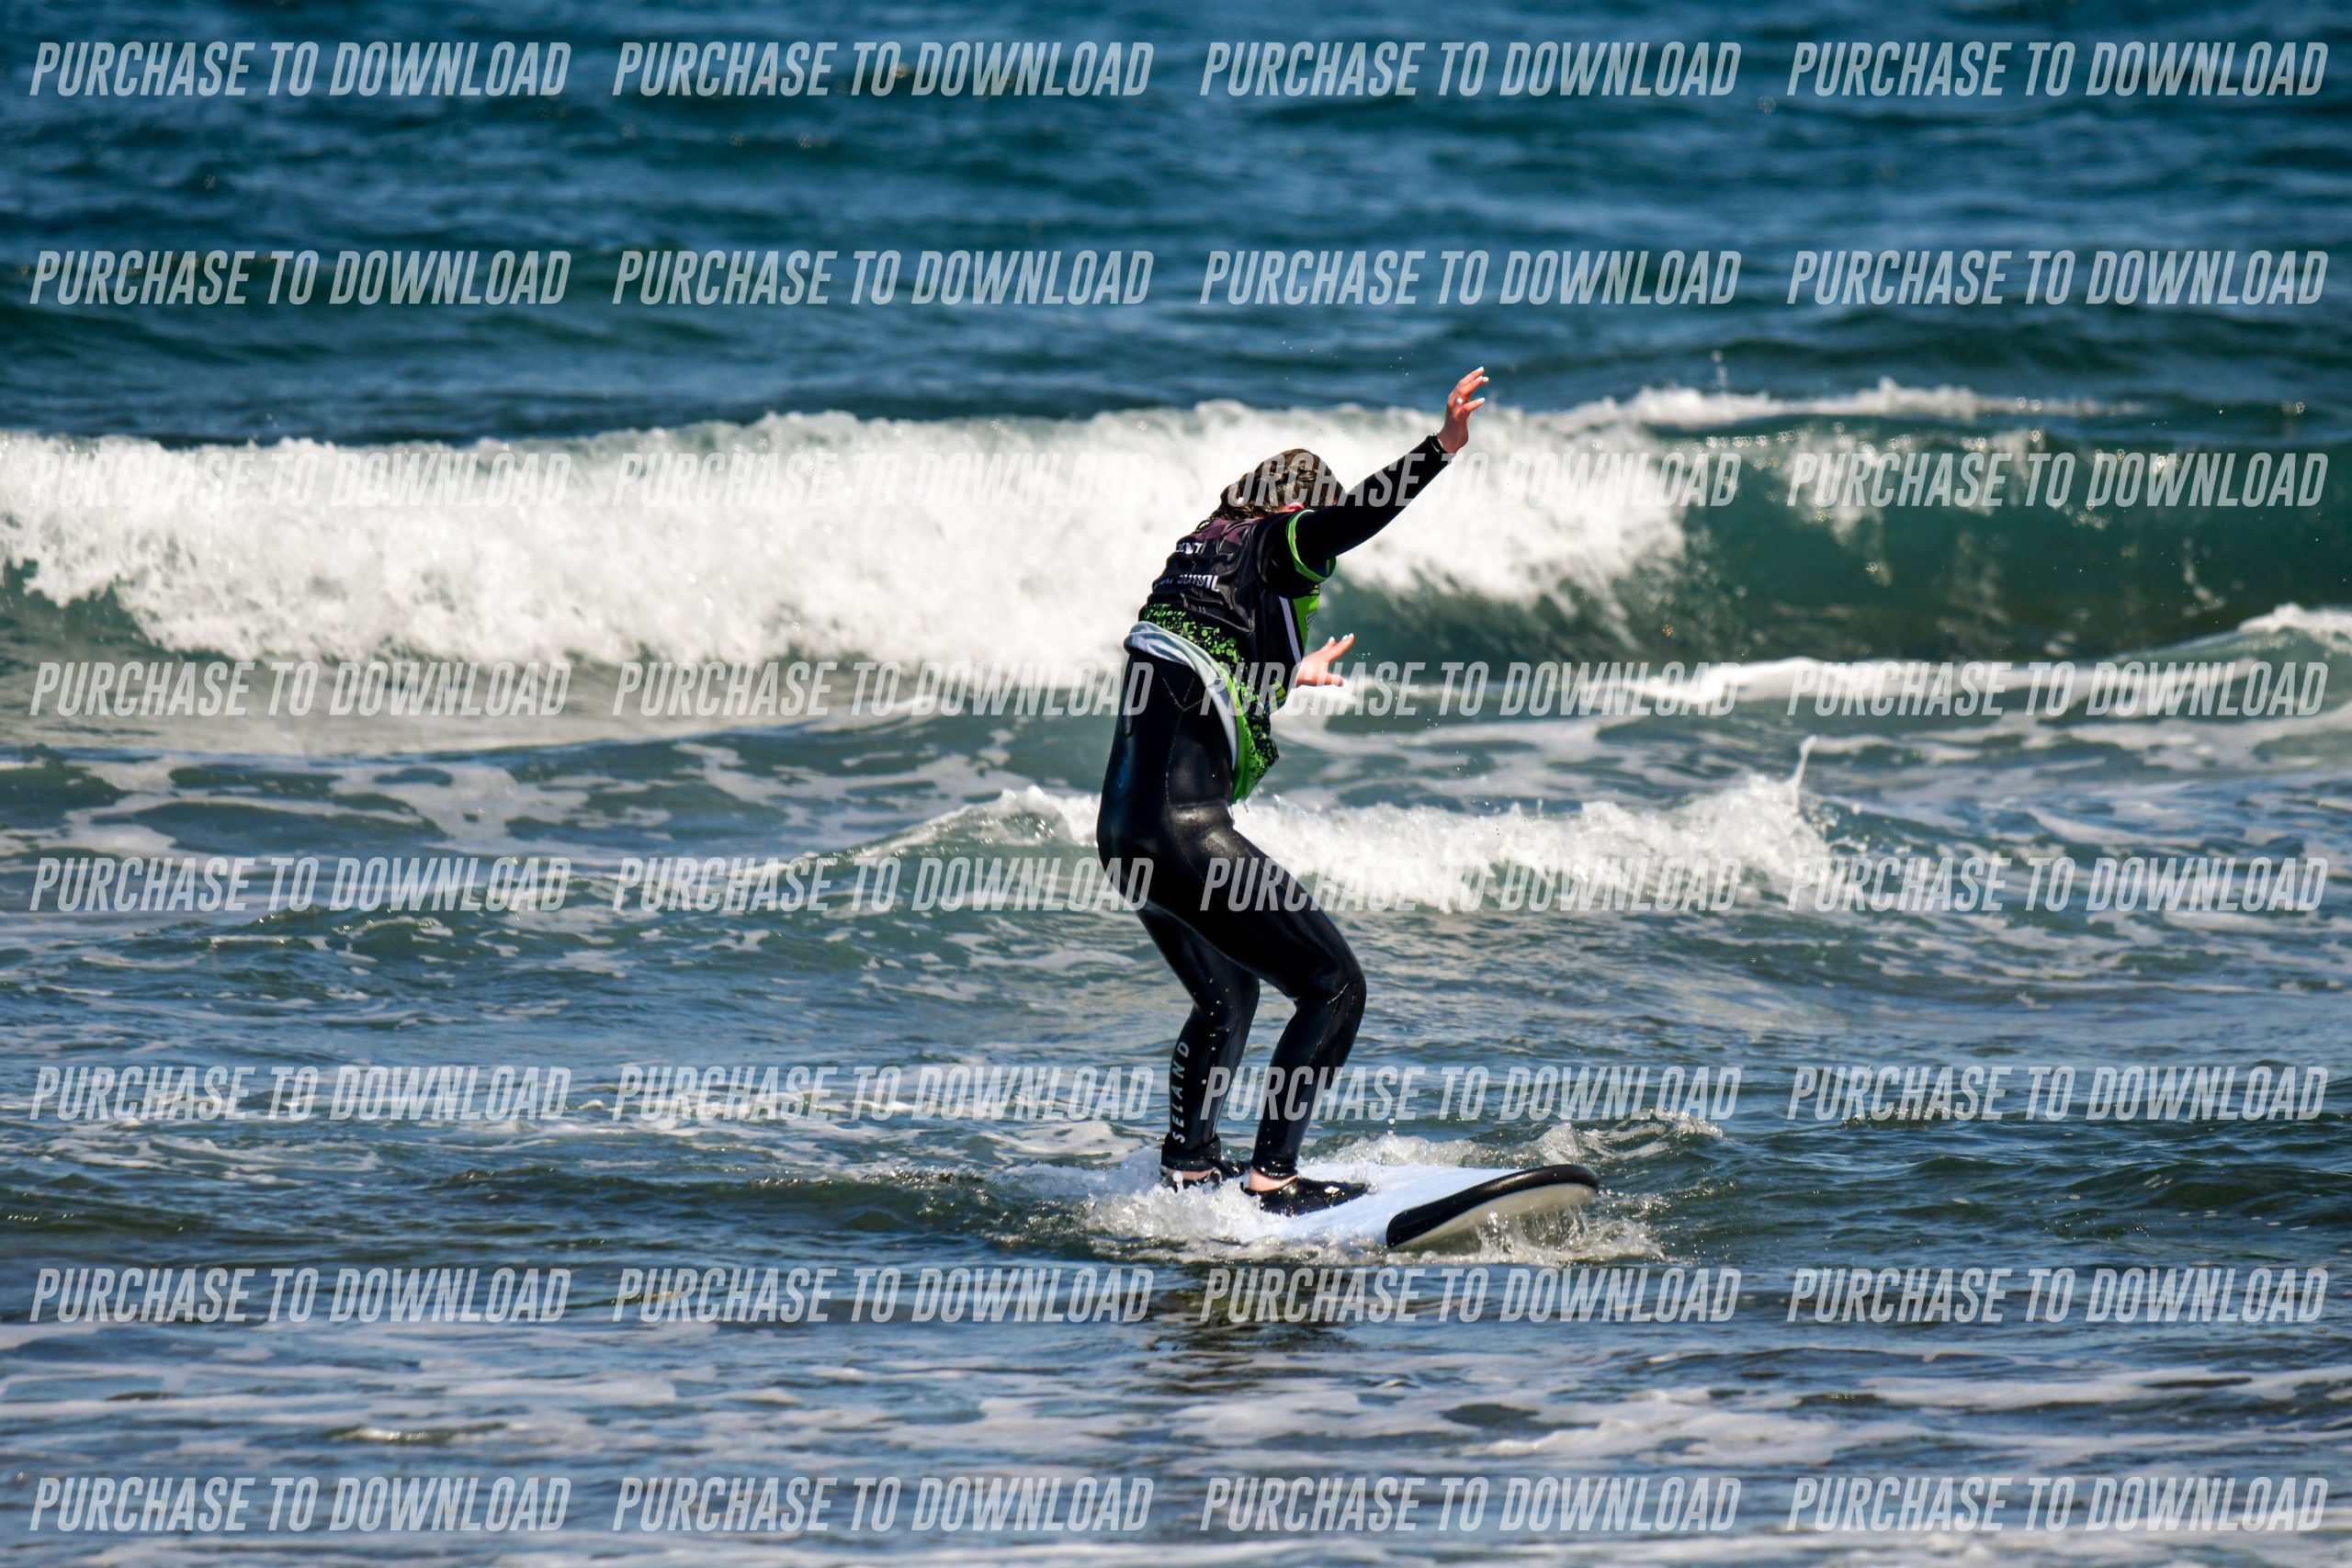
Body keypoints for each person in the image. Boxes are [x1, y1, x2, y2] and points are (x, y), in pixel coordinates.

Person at [1096, 368, 1488, 1214]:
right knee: (1334, 984)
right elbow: (1348, 520)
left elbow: (1199, 665)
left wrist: (1286, 670)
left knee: (1227, 993)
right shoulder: (1280, 536)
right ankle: (1274, 1175)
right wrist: (1440, 448)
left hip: (1124, 835)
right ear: (1294, 507)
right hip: (1184, 827)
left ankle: (1189, 1167)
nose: (1319, 564)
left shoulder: (1197, 556)